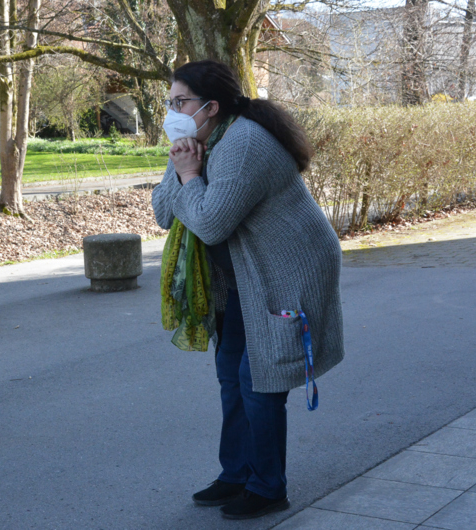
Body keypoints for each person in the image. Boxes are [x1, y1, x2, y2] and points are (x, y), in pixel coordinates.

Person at [151, 60, 345, 520]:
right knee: (229, 371)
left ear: (211, 107)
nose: (172, 111)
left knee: (259, 380)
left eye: (181, 102)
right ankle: (235, 473)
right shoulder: (199, 141)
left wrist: (189, 177)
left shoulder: (242, 143)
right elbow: (164, 212)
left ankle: (267, 486)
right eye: (170, 102)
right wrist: (183, 170)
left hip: (285, 272)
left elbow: (210, 223)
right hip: (241, 277)